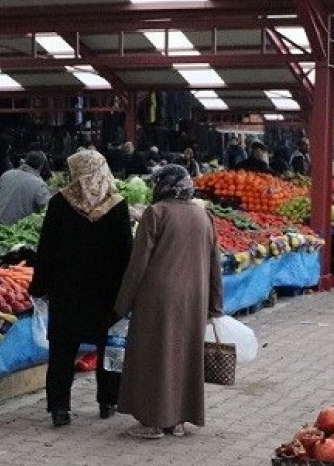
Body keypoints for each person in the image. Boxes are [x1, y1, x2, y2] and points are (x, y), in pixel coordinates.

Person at [115, 165, 223, 439]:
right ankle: (177, 420)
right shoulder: (203, 215)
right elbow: (214, 264)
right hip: (194, 297)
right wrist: (215, 304)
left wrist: (122, 302)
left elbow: (138, 263)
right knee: (184, 356)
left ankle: (153, 423)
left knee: (154, 355)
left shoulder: (156, 213)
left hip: (158, 297)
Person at [29, 150, 131, 428]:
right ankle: (108, 401)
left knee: (62, 352)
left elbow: (46, 249)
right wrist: (127, 295)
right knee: (109, 347)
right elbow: (126, 254)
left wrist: (39, 286)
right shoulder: (118, 205)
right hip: (106, 294)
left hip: (67, 292)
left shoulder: (61, 203)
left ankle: (60, 408)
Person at [0, 151, 52, 225]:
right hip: (15, 232)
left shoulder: (6, 175)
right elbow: (50, 211)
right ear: (41, 166)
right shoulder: (39, 184)